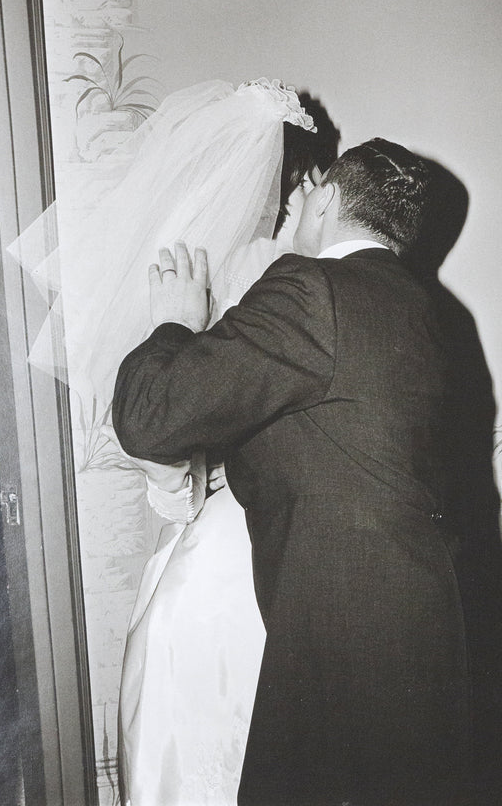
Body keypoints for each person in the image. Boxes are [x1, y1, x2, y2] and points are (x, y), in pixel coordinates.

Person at [113, 138, 502, 805]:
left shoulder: (312, 287)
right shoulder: (433, 310)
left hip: (350, 641)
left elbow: (149, 418)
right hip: (430, 622)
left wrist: (175, 327)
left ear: (324, 199)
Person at [106, 82, 339, 806]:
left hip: (207, 550)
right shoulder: (295, 285)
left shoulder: (204, 273)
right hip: (271, 549)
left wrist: (182, 490)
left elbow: (161, 443)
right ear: (304, 181)